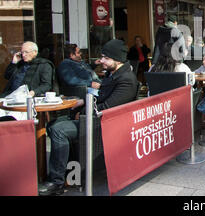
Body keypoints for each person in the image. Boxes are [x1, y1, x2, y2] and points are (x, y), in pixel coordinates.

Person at [39, 39, 139, 196]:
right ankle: (70, 172)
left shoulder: (126, 80)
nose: (102, 61)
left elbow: (107, 109)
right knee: (53, 124)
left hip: (103, 126)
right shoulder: (113, 74)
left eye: (106, 58)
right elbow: (101, 98)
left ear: (117, 59)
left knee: (59, 130)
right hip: (95, 120)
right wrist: (83, 102)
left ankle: (56, 182)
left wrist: (84, 113)